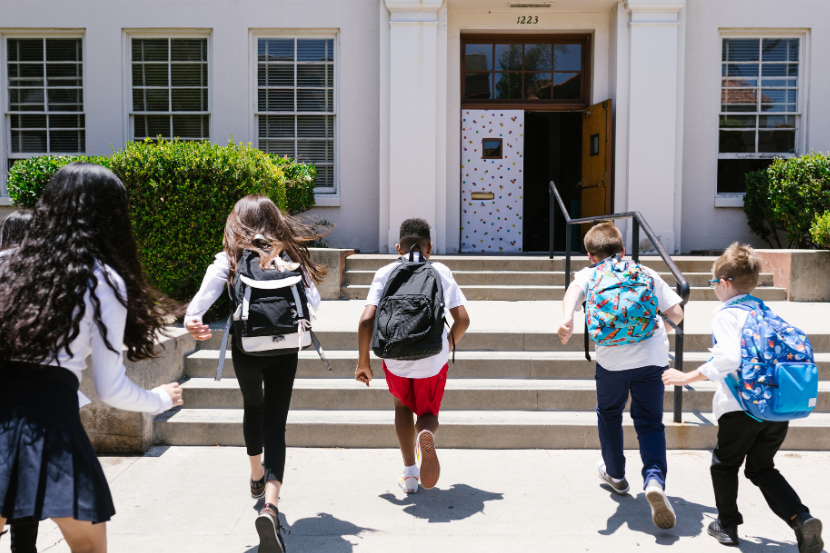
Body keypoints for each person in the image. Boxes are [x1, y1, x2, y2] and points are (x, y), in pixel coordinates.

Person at [0, 162, 184, 553]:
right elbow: (111, 387)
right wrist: (161, 399)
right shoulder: (100, 279)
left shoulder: (5, 264)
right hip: (50, 424)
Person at [184, 194, 326, 553]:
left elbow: (202, 301)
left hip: (247, 348)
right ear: (276, 220)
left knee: (254, 407)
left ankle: (256, 475)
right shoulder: (292, 256)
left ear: (238, 222)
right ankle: (271, 507)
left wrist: (194, 320)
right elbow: (313, 305)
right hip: (285, 348)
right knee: (276, 424)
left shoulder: (230, 258)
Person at [662, 243, 824, 552]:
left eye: (714, 284)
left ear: (723, 283)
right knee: (762, 468)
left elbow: (728, 358)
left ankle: (727, 525)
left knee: (724, 465)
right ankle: (801, 519)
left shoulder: (727, 314)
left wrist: (686, 377)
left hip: (740, 408)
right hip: (777, 408)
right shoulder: (765, 311)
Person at [558, 221, 684, 529]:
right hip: (653, 359)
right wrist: (657, 333)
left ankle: (615, 475)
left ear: (590, 255)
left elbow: (572, 296)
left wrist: (566, 321)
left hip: (612, 362)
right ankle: (654, 480)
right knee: (650, 423)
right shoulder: (645, 272)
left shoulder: (590, 274)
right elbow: (677, 314)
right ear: (623, 251)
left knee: (610, 414)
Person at [355, 218, 470, 493]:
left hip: (395, 357)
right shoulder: (440, 271)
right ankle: (426, 433)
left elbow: (365, 321)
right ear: (430, 246)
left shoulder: (385, 271)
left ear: (398, 247)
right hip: (432, 358)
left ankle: (409, 475)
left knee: (401, 408)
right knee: (428, 413)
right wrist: (447, 345)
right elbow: (463, 320)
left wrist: (363, 363)